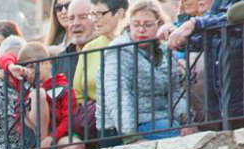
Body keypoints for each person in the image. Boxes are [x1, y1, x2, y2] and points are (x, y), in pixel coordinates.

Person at [102, 0, 190, 139]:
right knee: (176, 135)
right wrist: (130, 135)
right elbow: (118, 95)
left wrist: (187, 121)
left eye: (148, 25)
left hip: (162, 119)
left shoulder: (165, 51)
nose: (141, 30)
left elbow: (174, 92)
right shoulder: (118, 50)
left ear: (159, 25)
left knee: (190, 133)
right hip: (127, 126)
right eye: (136, 25)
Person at [162, 0, 244, 128]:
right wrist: (179, 37)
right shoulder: (219, 3)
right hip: (222, 105)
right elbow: (206, 39)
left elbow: (232, 18)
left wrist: (195, 23)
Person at [15, 42, 86, 149]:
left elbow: (68, 119)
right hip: (33, 139)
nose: (30, 72)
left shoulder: (63, 88)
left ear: (47, 63)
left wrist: (51, 138)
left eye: (33, 66)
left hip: (57, 138)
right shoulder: (26, 91)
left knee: (76, 146)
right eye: (26, 68)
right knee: (38, 94)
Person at [74, 0, 128, 105]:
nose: (94, 20)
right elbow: (77, 93)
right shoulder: (89, 48)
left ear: (119, 13)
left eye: (99, 14)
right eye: (92, 15)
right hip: (94, 116)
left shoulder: (132, 43)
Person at [54, 0, 100, 85]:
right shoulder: (61, 59)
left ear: (96, 19)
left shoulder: (108, 51)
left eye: (83, 17)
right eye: (71, 18)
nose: (76, 23)